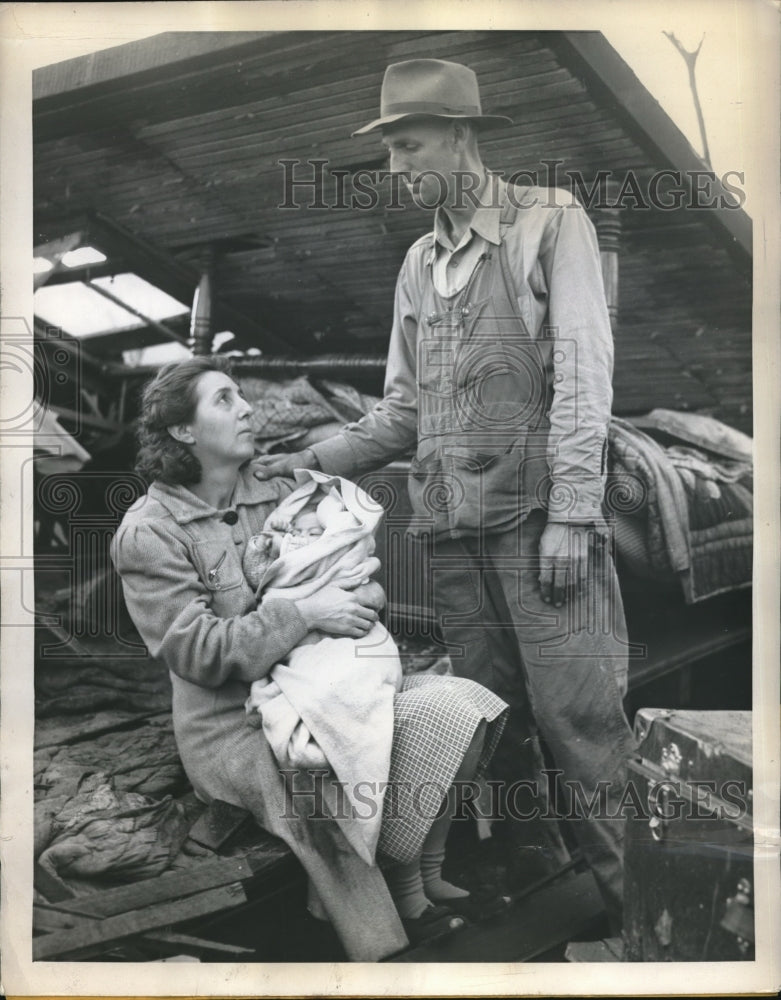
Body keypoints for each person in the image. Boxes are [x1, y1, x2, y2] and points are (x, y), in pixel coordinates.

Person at [253, 58, 636, 933]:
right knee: (488, 720)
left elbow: (584, 376)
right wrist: (306, 458)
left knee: (578, 722)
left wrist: (573, 513)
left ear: (464, 136)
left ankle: (647, 916)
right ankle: (537, 889)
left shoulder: (548, 220)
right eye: (387, 150)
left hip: (540, 522)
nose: (396, 168)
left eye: (409, 145)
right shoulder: (418, 263)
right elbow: (399, 413)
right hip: (452, 533)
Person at [110, 355, 508, 960]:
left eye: (241, 394)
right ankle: (387, 951)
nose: (247, 408)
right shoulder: (149, 533)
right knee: (316, 795)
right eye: (224, 399)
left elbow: (356, 576)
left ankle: (418, 881)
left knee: (463, 706)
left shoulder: (282, 492)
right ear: (183, 431)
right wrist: (306, 613)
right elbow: (198, 651)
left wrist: (358, 595)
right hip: (232, 727)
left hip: (322, 680)